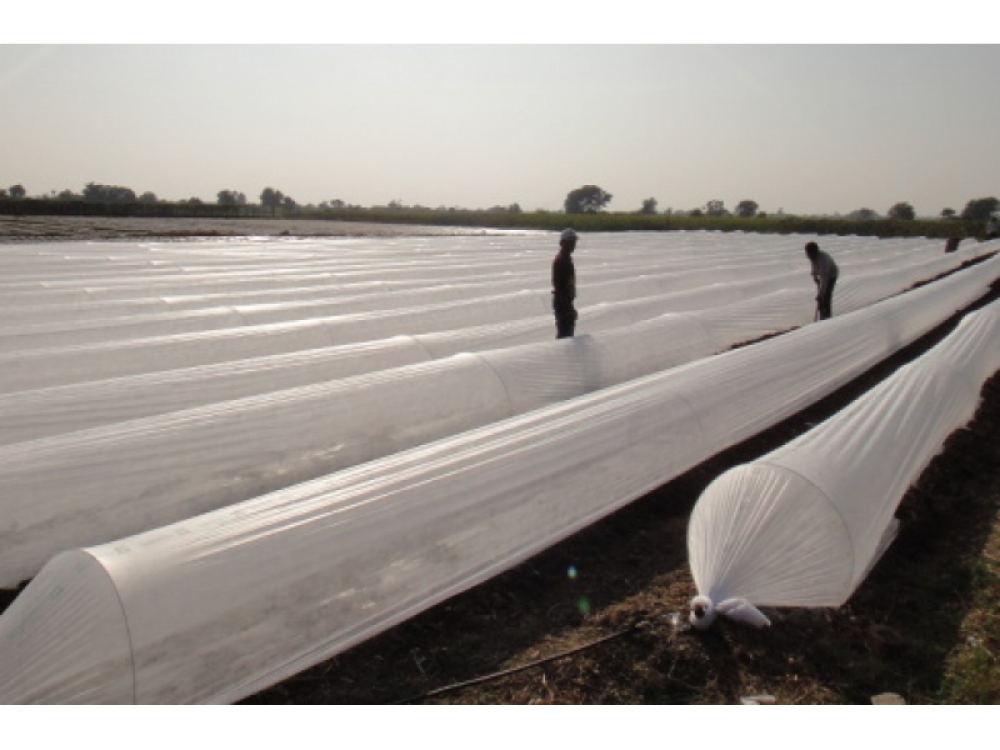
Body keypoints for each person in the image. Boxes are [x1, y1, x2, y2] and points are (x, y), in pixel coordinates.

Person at [552, 228, 578, 338]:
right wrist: (568, 308)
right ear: (562, 243)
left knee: (566, 333)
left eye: (574, 242)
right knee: (564, 335)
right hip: (562, 302)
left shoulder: (566, 259)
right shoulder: (562, 260)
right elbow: (561, 287)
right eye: (570, 242)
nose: (573, 245)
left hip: (565, 301)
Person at [805, 241, 838, 320]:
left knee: (826, 297)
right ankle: (822, 316)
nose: (807, 255)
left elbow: (824, 279)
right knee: (821, 300)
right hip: (823, 275)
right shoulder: (812, 257)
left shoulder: (823, 260)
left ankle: (827, 318)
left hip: (831, 275)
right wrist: (815, 276)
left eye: (808, 253)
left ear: (814, 252)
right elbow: (813, 266)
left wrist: (820, 294)